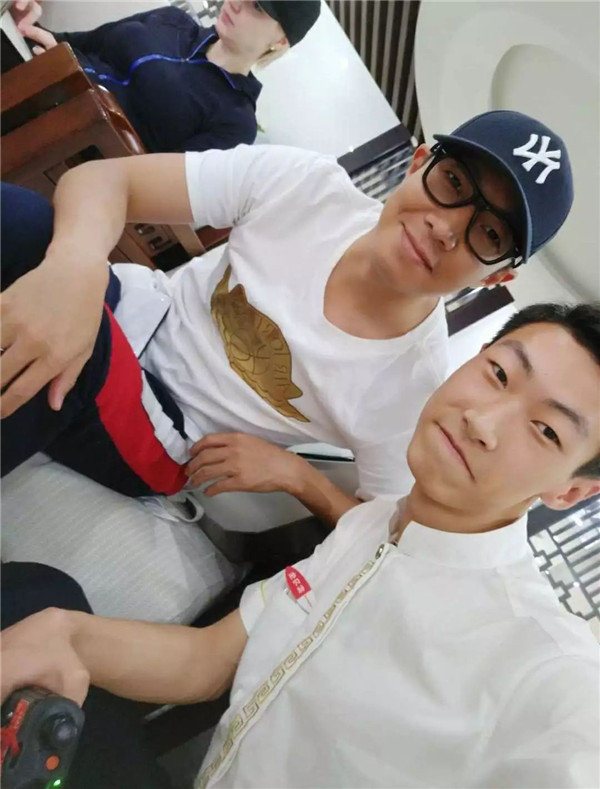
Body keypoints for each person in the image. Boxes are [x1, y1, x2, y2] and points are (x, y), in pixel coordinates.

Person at [2, 302, 599, 789]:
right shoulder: (375, 524)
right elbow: (208, 661)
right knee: (38, 596)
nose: (482, 422)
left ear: (569, 490)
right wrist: (67, 637)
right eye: (498, 373)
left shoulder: (549, 668)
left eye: (546, 430)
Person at [0, 110, 574, 527]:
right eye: (454, 183)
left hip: (165, 435)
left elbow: (386, 532)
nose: (446, 228)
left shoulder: (412, 389)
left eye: (489, 234)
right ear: (419, 162)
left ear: (495, 277)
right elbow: (106, 180)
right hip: (131, 308)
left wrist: (299, 479)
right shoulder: (307, 187)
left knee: (82, 357)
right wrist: (73, 270)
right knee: (24, 219)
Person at [8, 0, 321, 152]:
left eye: (258, 7)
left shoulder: (236, 121)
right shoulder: (174, 19)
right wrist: (25, 25)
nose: (237, 3)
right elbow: (76, 43)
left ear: (281, 41)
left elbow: (146, 181)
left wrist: (72, 78)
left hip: (58, 149)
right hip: (33, 82)